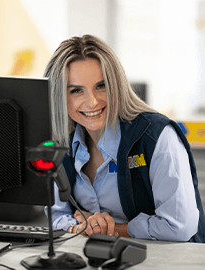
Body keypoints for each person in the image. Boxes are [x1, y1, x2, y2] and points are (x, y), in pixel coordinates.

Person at [44, 34, 205, 242]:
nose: (92, 102)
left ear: (116, 85)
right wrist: (83, 226)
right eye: (76, 91)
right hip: (97, 256)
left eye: (101, 86)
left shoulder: (157, 138)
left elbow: (179, 226)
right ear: (59, 97)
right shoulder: (61, 143)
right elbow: (56, 215)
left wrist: (112, 229)